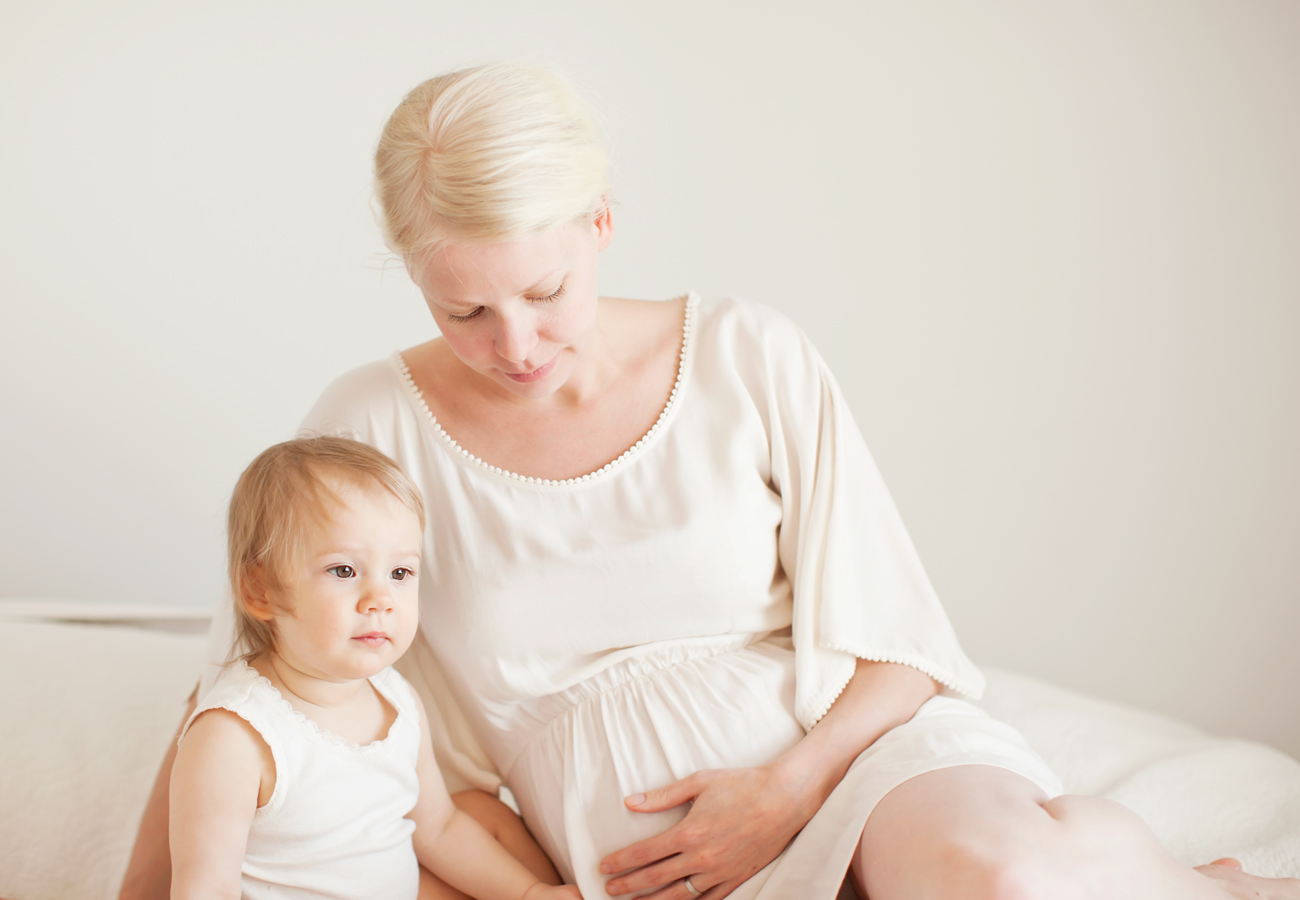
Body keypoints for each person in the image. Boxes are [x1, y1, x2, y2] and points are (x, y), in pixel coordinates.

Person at [122, 63, 1300, 900]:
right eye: (463, 310)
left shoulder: (746, 354)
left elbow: (905, 650)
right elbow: (252, 690)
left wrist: (785, 791)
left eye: (544, 293)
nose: (514, 345)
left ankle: (1190, 883)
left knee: (1000, 879)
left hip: (842, 758)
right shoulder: (369, 422)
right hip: (639, 854)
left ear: (601, 224)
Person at [168, 436, 579, 900]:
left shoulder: (396, 699)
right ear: (260, 591)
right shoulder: (235, 736)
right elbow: (206, 888)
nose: (380, 600)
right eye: (343, 571)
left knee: (485, 816)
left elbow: (438, 828)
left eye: (400, 574)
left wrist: (529, 892)